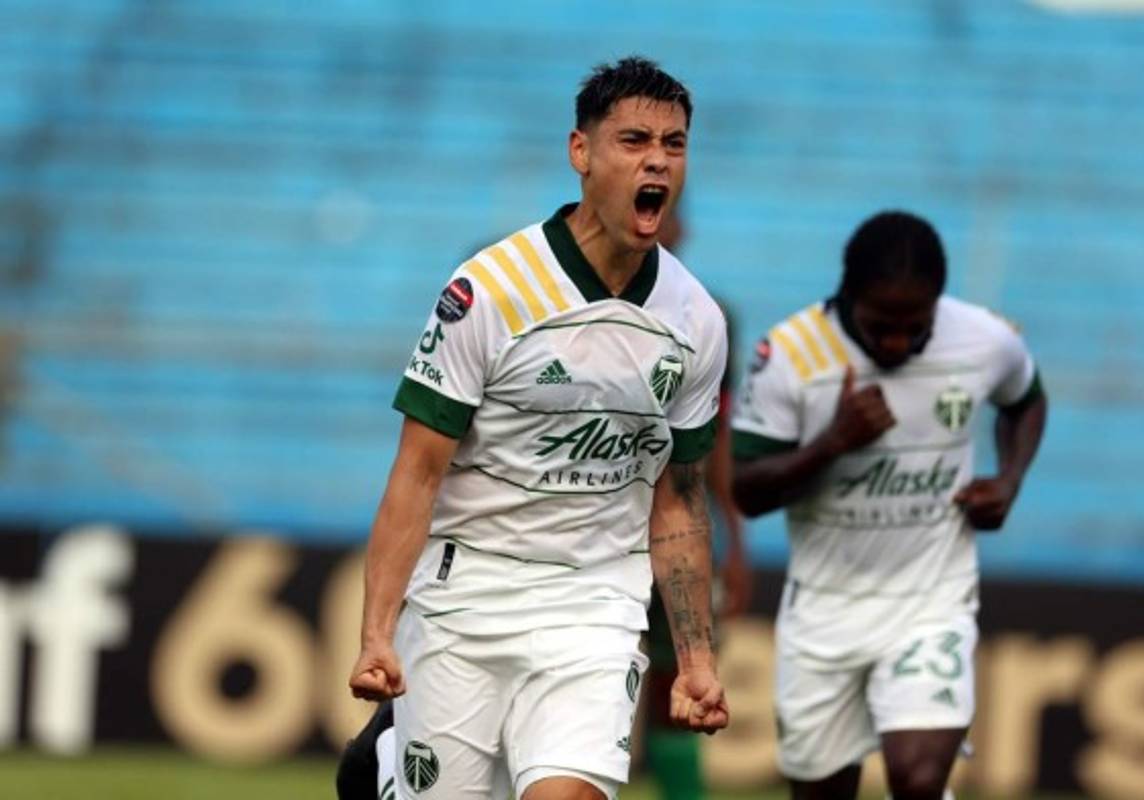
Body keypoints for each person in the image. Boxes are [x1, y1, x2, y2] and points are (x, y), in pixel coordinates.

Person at [346, 56, 730, 800]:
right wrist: (376, 635)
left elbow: (681, 499)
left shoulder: (696, 321)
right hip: (466, 596)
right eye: (634, 140)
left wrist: (696, 658)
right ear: (581, 152)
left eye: (674, 144)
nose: (657, 159)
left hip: (595, 604)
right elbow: (418, 473)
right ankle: (389, 762)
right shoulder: (488, 290)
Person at [731, 211, 1047, 800]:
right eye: (881, 327)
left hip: (931, 601)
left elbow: (1026, 400)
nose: (898, 342)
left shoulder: (983, 338)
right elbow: (746, 492)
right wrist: (832, 443)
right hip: (824, 609)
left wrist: (1009, 480)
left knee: (917, 778)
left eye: (915, 327)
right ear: (847, 297)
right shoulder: (792, 355)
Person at [641, 211, 751, 800]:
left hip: (674, 525)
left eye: (669, 214)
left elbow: (718, 439)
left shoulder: (708, 320)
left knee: (677, 683)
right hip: (595, 527)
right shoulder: (580, 313)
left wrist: (734, 539)